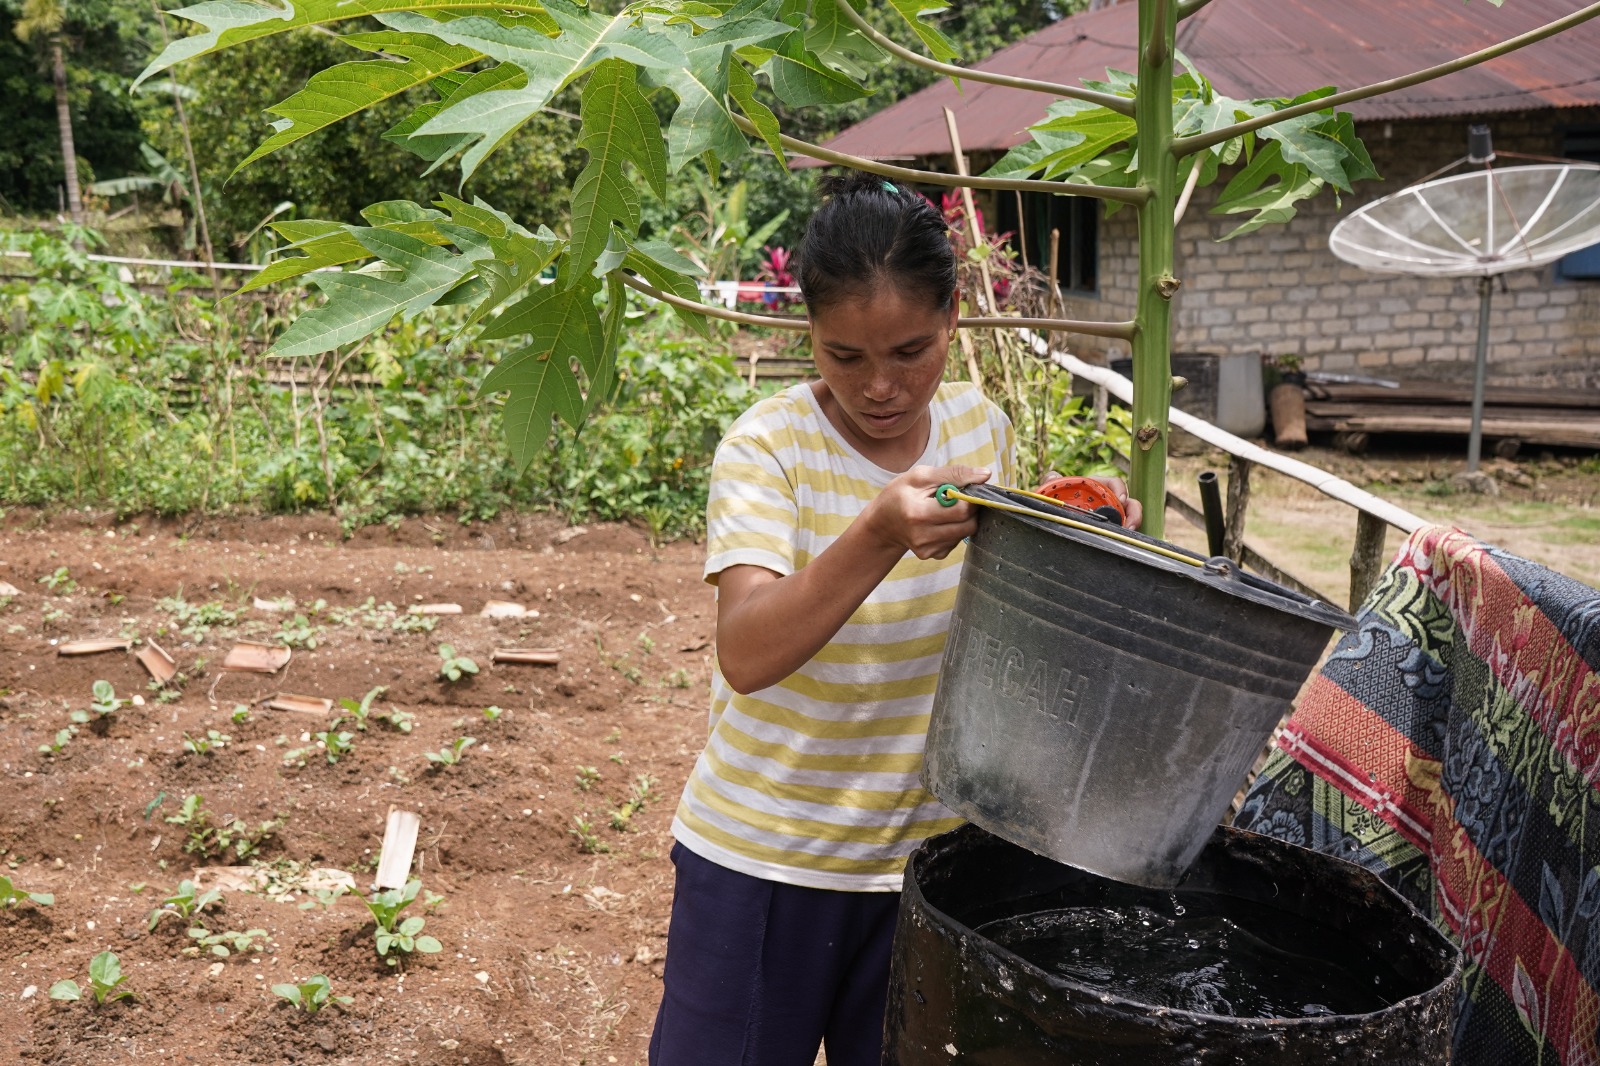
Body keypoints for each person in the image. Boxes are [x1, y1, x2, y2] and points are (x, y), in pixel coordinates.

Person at [648, 171, 1140, 1066]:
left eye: (911, 351)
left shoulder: (978, 430)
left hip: (927, 868)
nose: (880, 386)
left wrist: (1084, 532)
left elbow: (1004, 614)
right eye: (844, 357)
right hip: (769, 862)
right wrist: (877, 529)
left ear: (954, 318)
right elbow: (748, 650)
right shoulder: (769, 450)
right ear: (810, 334)